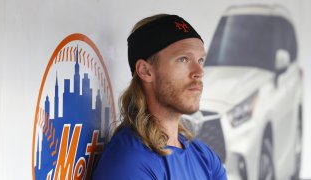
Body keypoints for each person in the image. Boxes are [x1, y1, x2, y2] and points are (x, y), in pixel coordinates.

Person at [92, 14, 227, 180]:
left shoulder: (205, 158)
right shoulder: (130, 161)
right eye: (183, 59)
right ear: (146, 71)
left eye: (200, 60)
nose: (199, 72)